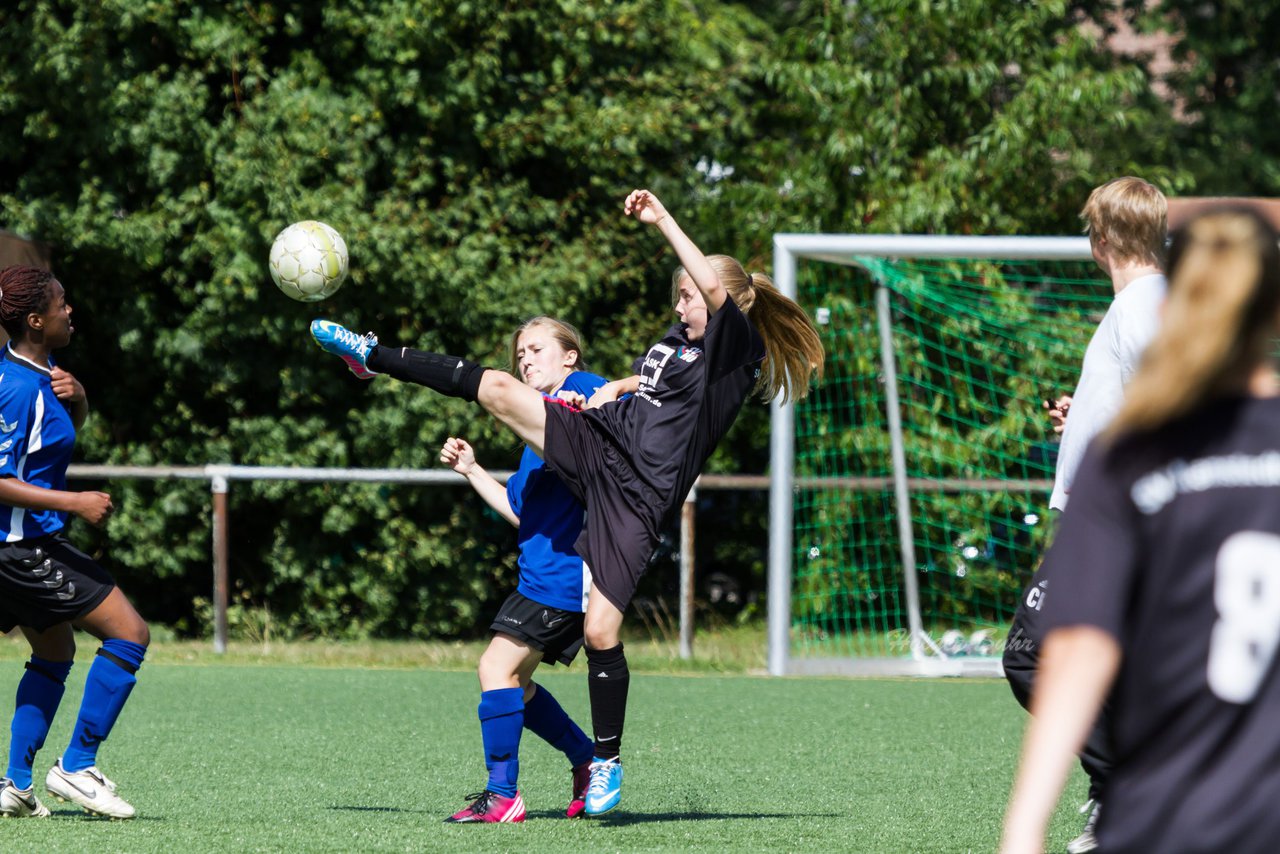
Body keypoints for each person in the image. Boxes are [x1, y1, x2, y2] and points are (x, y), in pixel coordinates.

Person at [310, 188, 824, 816]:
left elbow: (713, 300)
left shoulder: (735, 348)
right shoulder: (681, 340)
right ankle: (373, 357)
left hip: (639, 498)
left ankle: (603, 760)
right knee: (496, 387)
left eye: (688, 293)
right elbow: (659, 383)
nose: (681, 301)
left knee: (604, 629)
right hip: (604, 447)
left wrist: (662, 219)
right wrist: (615, 389)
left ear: (724, 301)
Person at [1001, 206, 1280, 853]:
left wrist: (1021, 830)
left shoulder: (1131, 459)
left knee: (1034, 652)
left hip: (1165, 816)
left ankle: (1110, 789)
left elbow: (1077, 654)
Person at [1001, 176, 1166, 853]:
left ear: (1100, 240)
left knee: (1032, 657)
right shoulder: (1143, 304)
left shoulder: (1140, 308)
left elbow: (1170, 407)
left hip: (1114, 521)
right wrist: (1085, 420)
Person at [439, 316, 605, 823]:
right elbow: (520, 511)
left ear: (569, 356)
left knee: (494, 668)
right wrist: (472, 471)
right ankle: (586, 759)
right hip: (538, 575)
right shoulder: (536, 437)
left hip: (567, 575)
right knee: (517, 685)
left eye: (536, 349)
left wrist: (586, 405)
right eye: (520, 355)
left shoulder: (581, 389)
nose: (525, 360)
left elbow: (609, 409)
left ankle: (503, 795)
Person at [0, 265, 149, 820]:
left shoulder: (48, 373)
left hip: (20, 547)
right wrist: (77, 502)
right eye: (61, 303)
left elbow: (55, 441)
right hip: (19, 550)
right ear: (35, 320)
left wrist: (80, 399)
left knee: (54, 651)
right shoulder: (15, 387)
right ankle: (77, 768)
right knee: (130, 632)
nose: (70, 310)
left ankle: (15, 784)